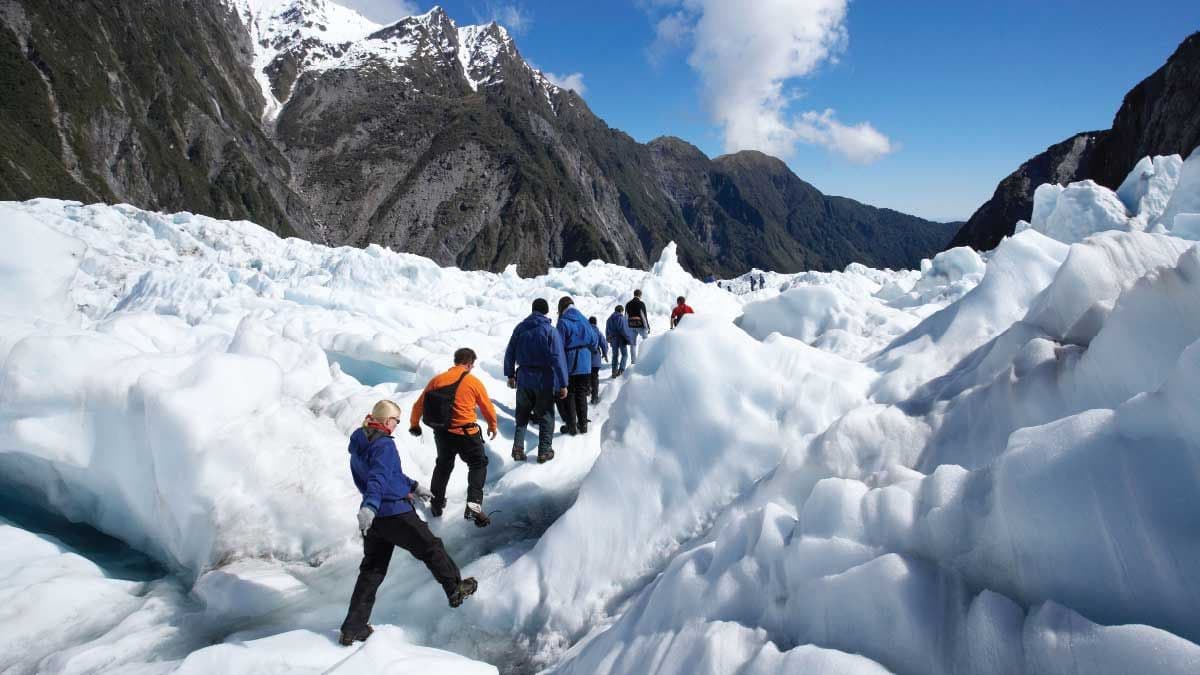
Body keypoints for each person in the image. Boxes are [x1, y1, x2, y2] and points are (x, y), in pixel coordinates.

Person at [341, 400, 478, 646]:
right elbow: (379, 478)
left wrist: (413, 486)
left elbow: (389, 474)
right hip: (394, 513)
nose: (397, 425)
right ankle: (454, 588)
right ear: (385, 421)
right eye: (395, 420)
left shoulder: (362, 439)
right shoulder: (383, 445)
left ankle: (353, 627)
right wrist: (370, 505)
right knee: (431, 547)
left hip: (376, 522)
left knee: (372, 570)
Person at [409, 349, 497, 527]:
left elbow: (419, 405)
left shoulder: (437, 380)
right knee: (478, 464)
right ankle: (473, 505)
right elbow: (486, 406)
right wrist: (492, 425)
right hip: (467, 435)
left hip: (442, 433)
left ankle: (436, 504)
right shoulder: (472, 381)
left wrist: (414, 424)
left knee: (443, 466)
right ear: (470, 363)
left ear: (456, 361)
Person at [504, 299, 569, 463]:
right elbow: (558, 358)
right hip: (544, 379)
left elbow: (510, 352)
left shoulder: (520, 328)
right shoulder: (550, 331)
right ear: (546, 311)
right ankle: (544, 451)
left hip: (524, 378)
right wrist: (563, 383)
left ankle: (518, 449)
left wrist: (510, 375)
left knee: (522, 415)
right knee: (546, 416)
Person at [556, 296, 596, 435]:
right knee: (581, 394)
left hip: (570, 361)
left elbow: (558, 346)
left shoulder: (563, 322)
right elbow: (594, 339)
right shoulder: (584, 319)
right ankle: (583, 424)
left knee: (570, 394)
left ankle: (572, 426)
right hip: (585, 362)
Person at [605, 305, 634, 378]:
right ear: (621, 310)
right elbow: (624, 330)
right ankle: (621, 370)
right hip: (621, 338)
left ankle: (614, 371)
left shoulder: (609, 319)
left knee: (615, 355)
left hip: (613, 339)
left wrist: (608, 338)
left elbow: (607, 330)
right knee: (625, 354)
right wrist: (629, 340)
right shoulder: (621, 318)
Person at [625, 289, 650, 364]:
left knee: (632, 344)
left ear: (634, 294)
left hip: (631, 326)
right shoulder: (641, 303)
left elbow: (626, 316)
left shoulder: (628, 304)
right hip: (640, 325)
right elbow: (643, 315)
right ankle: (646, 358)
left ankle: (633, 361)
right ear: (640, 295)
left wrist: (627, 327)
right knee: (646, 341)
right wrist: (647, 327)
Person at [587, 316, 608, 404]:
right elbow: (604, 344)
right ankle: (594, 397)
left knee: (587, 375)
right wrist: (605, 353)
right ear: (596, 323)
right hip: (596, 357)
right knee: (595, 376)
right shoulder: (598, 332)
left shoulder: (585, 331)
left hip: (586, 358)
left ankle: (587, 391)